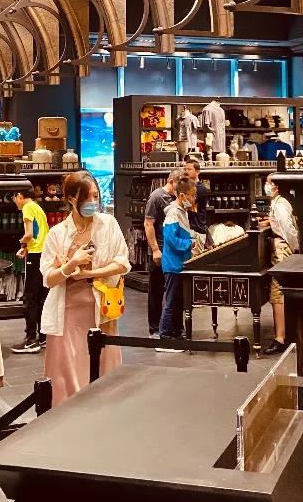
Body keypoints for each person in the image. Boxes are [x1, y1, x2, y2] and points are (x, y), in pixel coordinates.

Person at [40, 171, 130, 406]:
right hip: (67, 312)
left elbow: (123, 263)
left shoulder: (108, 224)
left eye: (96, 196)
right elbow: (48, 279)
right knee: (70, 372)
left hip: (102, 309)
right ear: (72, 199)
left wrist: (89, 273)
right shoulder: (57, 234)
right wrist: (71, 264)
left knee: (104, 369)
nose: (93, 202)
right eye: (87, 197)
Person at [260, 175, 300, 355]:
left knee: (277, 292)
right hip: (283, 247)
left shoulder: (281, 204)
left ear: (276, 187)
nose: (266, 186)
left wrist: (295, 248)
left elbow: (288, 229)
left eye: (268, 183)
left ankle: (280, 338)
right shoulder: (278, 202)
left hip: (283, 249)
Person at [11, 188, 50, 355]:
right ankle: (43, 337)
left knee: (30, 298)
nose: (15, 203)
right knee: (41, 297)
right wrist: (26, 247)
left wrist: (21, 243)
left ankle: (30, 340)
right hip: (44, 254)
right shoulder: (37, 207)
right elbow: (39, 235)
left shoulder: (27, 207)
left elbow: (29, 234)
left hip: (35, 256)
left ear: (19, 196)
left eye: (14, 198)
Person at [143, 168, 181, 337]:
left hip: (173, 251)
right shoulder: (156, 197)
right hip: (160, 248)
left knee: (174, 291)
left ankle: (174, 327)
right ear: (172, 181)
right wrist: (155, 250)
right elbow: (148, 224)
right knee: (156, 290)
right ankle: (154, 328)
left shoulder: (177, 198)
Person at [158, 176, 197, 342]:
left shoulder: (182, 211)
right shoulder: (174, 213)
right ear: (182, 195)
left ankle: (176, 330)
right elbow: (171, 239)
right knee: (172, 301)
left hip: (180, 264)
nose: (193, 199)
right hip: (173, 265)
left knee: (178, 301)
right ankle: (166, 334)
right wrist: (189, 243)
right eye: (192, 195)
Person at [183, 156, 210, 242]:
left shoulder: (200, 188)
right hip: (190, 230)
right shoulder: (188, 187)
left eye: (189, 169)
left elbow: (187, 205)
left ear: (197, 172)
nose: (186, 172)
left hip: (197, 231)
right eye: (185, 169)